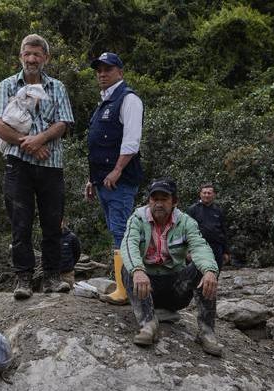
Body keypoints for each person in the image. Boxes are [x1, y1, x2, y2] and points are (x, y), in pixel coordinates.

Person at [0, 33, 75, 300]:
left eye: (37, 54)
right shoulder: (7, 85)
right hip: (18, 165)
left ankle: (51, 277)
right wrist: (29, 143)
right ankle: (23, 279)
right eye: (27, 53)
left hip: (52, 166)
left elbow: (63, 123)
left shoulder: (57, 87)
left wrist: (41, 138)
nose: (32, 58)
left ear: (46, 58)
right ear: (20, 56)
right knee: (20, 223)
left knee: (52, 223)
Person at [120, 178, 222, 356]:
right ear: (149, 201)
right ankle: (148, 323)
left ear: (174, 202)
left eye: (164, 199)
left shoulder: (186, 222)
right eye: (154, 199)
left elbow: (199, 247)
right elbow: (129, 244)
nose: (158, 204)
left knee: (203, 271)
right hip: (146, 287)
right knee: (127, 268)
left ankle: (207, 332)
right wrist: (137, 270)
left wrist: (210, 271)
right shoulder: (137, 218)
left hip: (175, 289)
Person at [84, 51, 144, 303]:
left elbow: (132, 140)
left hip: (119, 179)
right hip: (103, 180)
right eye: (99, 69)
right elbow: (98, 146)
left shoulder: (128, 99)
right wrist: (92, 178)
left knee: (122, 231)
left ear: (120, 71)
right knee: (116, 230)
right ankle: (123, 285)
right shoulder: (104, 101)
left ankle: (125, 290)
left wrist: (117, 169)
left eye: (107, 69)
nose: (102, 74)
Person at [186, 183, 230, 269]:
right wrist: (188, 251)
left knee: (215, 273)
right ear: (200, 194)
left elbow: (223, 231)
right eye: (204, 193)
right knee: (198, 275)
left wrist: (226, 251)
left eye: (209, 193)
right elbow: (186, 231)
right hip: (199, 247)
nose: (206, 195)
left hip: (217, 248)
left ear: (214, 195)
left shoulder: (218, 210)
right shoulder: (192, 210)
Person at [59, 218, 82, 288]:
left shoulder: (72, 237)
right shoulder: (51, 237)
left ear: (64, 223)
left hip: (67, 273)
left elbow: (77, 253)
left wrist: (70, 264)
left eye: (60, 221)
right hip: (53, 274)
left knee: (69, 293)